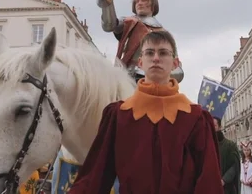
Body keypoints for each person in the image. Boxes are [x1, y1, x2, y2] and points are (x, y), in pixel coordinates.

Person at [68, 30, 222, 193]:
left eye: (163, 53)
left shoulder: (195, 118)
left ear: (175, 63)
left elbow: (209, 181)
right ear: (140, 62)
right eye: (150, 53)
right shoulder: (119, 115)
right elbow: (94, 177)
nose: (156, 58)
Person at [95, 0, 184, 82]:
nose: (139, 3)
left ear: (153, 5)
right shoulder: (129, 23)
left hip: (153, 82)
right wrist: (107, 0)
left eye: (144, 0)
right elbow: (109, 25)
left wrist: (159, 72)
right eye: (137, 1)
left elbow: (177, 70)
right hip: (127, 77)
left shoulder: (164, 34)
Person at [213, 117, 240, 194]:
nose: (212, 127)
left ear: (220, 127)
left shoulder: (230, 145)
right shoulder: (207, 145)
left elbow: (234, 166)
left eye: (214, 125)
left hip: (227, 188)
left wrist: (224, 180)